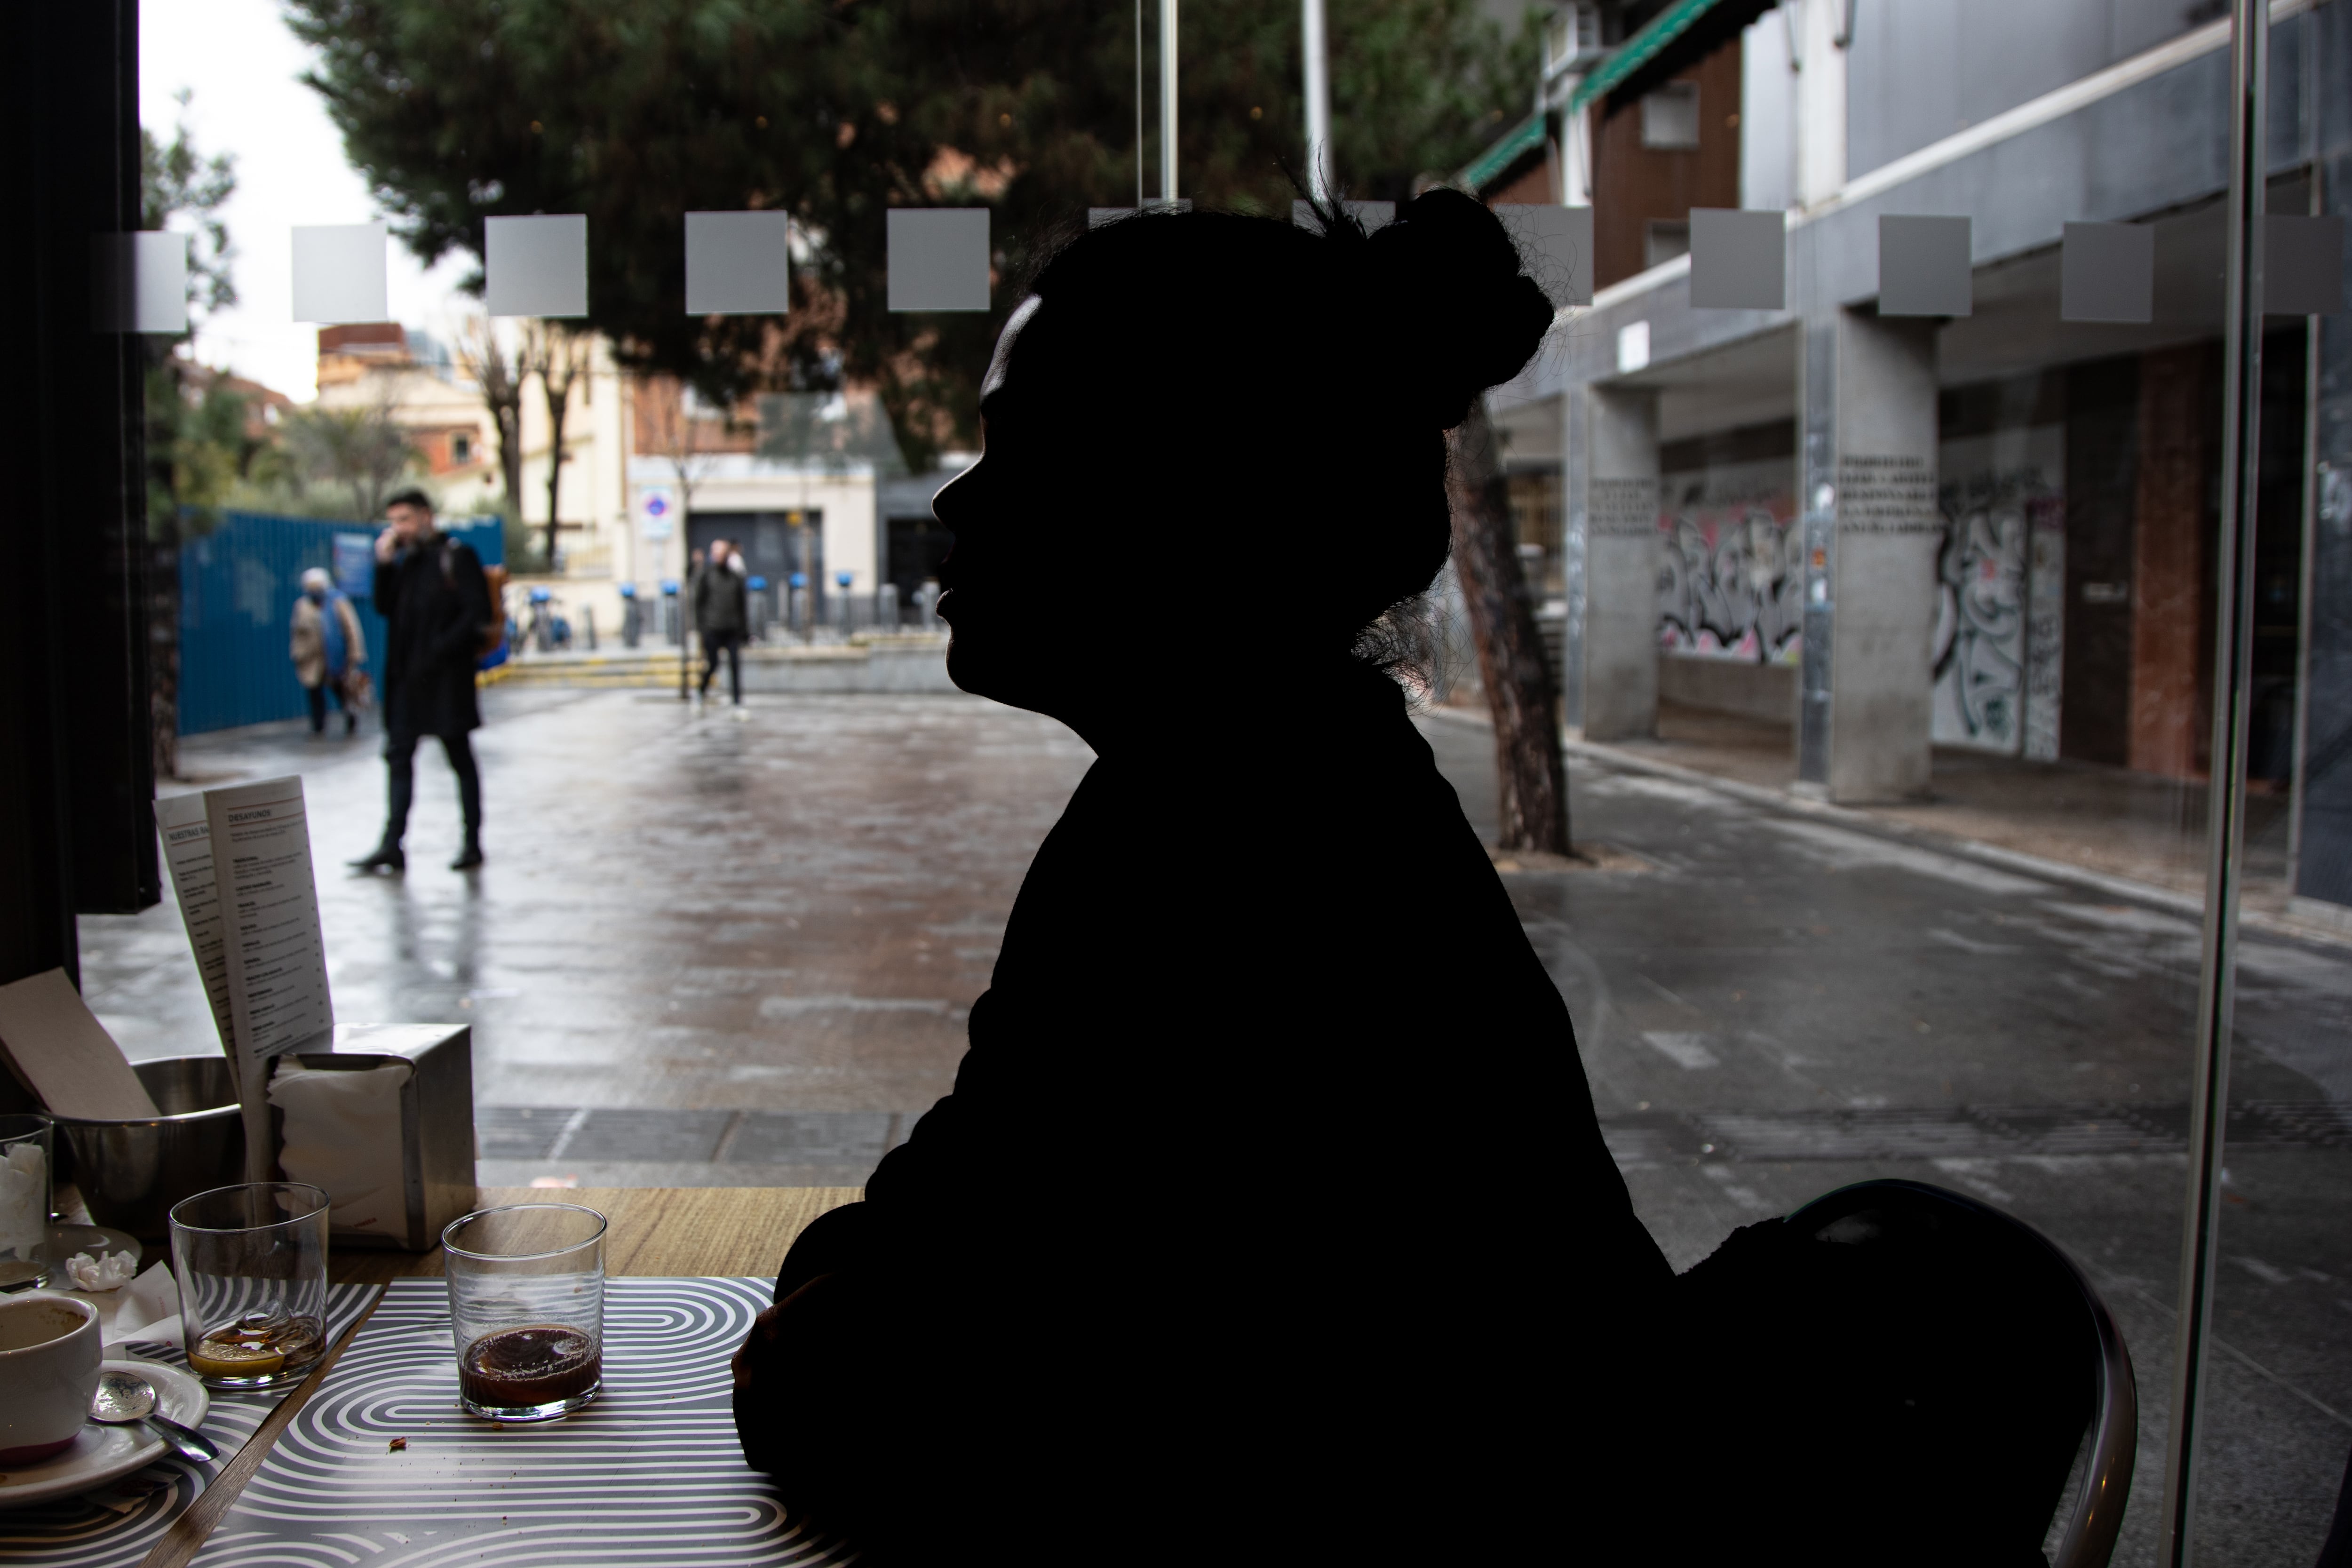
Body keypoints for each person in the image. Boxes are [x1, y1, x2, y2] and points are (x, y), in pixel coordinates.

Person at [730, 193, 2091, 1566]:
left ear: (1187, 497)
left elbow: (974, 1409)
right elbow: (957, 1204)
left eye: (1021, 448)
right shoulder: (1217, 783)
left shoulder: (1260, 846)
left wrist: (858, 1320)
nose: (961, 500)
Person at [351, 488, 491, 873]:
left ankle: (472, 842)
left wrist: (439, 650)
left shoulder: (457, 557)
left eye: (405, 520)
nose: (399, 529)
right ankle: (391, 845)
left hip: (446, 682)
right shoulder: (406, 563)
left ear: (426, 517)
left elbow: (477, 613)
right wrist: (383, 564)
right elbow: (384, 607)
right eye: (393, 521)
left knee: (459, 758)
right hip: (406, 684)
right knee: (397, 758)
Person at [289, 566, 366, 737]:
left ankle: (351, 718)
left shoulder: (338, 602)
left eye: (317, 586)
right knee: (315, 692)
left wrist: (355, 654)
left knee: (342, 691)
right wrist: (297, 653)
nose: (314, 591)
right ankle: (319, 726)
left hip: (337, 657)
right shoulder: (302, 606)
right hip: (313, 658)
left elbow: (351, 629)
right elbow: (297, 633)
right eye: (310, 587)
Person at [692, 536, 748, 718]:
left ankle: (737, 704)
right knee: (713, 664)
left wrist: (744, 631)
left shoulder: (735, 577)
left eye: (723, 552)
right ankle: (700, 693)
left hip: (732, 629)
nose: (719, 556)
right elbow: (699, 604)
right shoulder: (707, 576)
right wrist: (702, 629)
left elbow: (742, 606)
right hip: (713, 629)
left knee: (735, 665)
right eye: (716, 552)